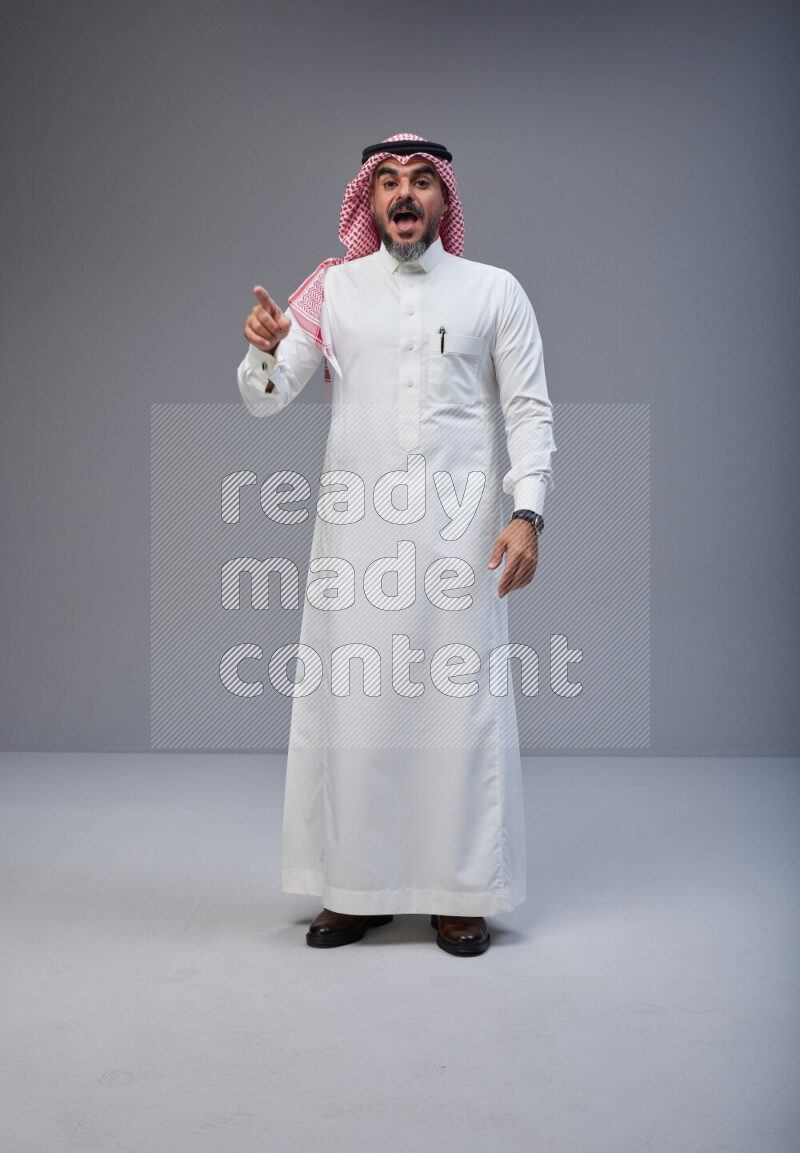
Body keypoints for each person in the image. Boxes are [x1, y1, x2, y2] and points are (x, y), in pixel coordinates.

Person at [237, 133, 556, 956]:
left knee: (458, 712)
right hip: (358, 543)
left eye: (421, 182)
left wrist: (528, 513)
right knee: (360, 711)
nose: (405, 195)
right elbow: (270, 397)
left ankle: (460, 891)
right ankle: (355, 888)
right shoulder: (334, 289)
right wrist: (264, 349)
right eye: (388, 183)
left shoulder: (495, 291)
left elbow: (529, 411)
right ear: (368, 201)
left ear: (445, 201)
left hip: (459, 545)